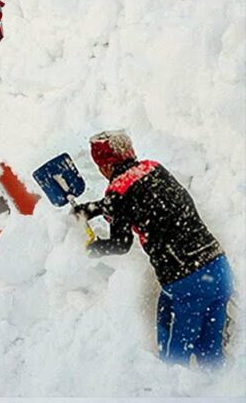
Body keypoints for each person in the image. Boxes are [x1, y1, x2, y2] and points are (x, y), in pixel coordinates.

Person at [75, 130, 232, 366]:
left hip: (187, 281)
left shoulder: (118, 192)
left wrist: (93, 248)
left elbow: (120, 244)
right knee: (210, 356)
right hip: (217, 269)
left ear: (105, 166)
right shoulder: (154, 168)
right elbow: (137, 198)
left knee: (172, 363)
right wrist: (92, 209)